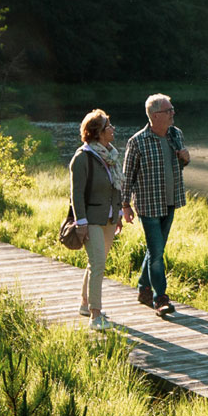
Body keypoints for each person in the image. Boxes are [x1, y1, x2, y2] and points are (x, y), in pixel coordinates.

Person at [117, 91, 191, 315]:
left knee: (155, 250)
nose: (173, 113)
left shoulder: (175, 134)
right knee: (157, 253)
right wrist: (125, 205)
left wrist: (185, 158)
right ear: (155, 115)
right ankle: (160, 299)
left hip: (170, 201)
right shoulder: (137, 141)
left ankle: (143, 288)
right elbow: (127, 176)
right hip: (149, 205)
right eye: (169, 110)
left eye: (172, 109)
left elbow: (180, 164)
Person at [68, 108, 127, 327]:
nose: (112, 129)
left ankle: (85, 303)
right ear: (97, 132)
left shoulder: (111, 155)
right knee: (98, 264)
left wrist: (119, 213)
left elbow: (116, 188)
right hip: (90, 219)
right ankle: (95, 315)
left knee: (95, 264)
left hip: (109, 218)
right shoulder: (82, 157)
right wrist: (80, 223)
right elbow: (76, 194)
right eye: (108, 126)